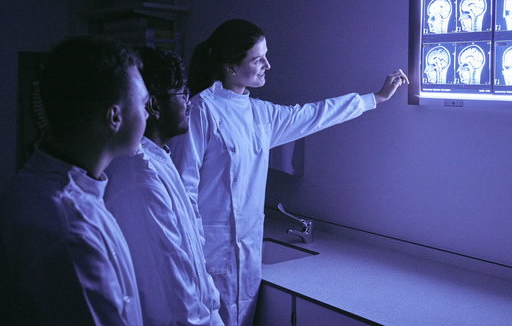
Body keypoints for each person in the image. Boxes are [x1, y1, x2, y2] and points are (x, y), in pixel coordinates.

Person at [169, 19, 409, 326]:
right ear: (230, 66)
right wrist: (188, 257)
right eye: (258, 59)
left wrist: (374, 98)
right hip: (206, 255)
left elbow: (314, 114)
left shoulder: (261, 114)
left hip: (247, 252)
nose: (268, 64)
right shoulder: (201, 110)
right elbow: (182, 191)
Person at [0, 36, 148, 325]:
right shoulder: (72, 234)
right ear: (114, 117)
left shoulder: (38, 184)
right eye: (142, 103)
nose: (147, 114)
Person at [104, 47, 223, 326]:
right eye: (183, 94)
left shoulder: (159, 157)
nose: (189, 103)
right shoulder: (139, 178)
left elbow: (190, 257)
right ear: (154, 106)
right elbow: (172, 294)